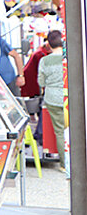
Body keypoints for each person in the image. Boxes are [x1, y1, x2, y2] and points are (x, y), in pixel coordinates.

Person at [37, 30, 67, 170]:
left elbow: (41, 82)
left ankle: (64, 165)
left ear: (48, 44)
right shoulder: (69, 58)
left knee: (60, 131)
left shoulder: (44, 61)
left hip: (53, 99)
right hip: (70, 96)